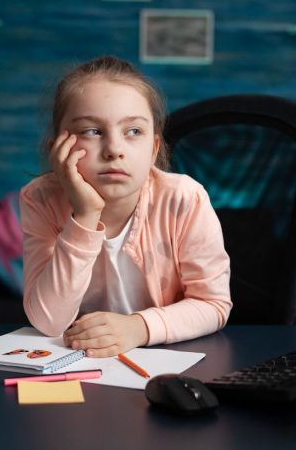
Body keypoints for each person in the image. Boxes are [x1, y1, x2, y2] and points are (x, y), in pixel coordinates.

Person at [20, 56, 231, 358]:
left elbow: (214, 304)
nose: (114, 150)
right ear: (58, 148)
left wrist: (138, 327)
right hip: (78, 362)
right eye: (92, 131)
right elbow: (48, 321)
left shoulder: (184, 199)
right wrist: (85, 215)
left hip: (162, 362)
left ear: (154, 148)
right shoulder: (40, 198)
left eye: (133, 131)